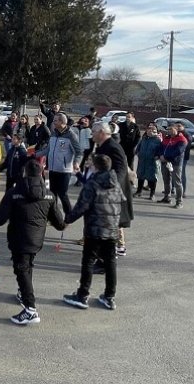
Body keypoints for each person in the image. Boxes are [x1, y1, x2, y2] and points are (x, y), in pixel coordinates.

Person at [0, 160, 65, 325]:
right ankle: (23, 294)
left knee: (21, 269)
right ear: (41, 175)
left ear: (25, 173)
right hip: (36, 240)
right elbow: (58, 222)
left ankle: (30, 309)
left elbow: (1, 215)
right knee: (27, 265)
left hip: (19, 239)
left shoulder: (14, 193)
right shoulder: (49, 195)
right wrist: (63, 224)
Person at [62, 154, 124, 310]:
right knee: (110, 263)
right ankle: (109, 296)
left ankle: (82, 295)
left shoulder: (93, 183)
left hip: (95, 229)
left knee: (88, 261)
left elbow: (82, 206)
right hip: (111, 229)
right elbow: (122, 201)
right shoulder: (116, 183)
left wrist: (67, 220)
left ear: (95, 167)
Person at [92, 122, 133, 257]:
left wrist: (110, 186)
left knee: (111, 223)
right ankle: (113, 249)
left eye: (94, 132)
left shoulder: (113, 147)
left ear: (101, 133)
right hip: (105, 190)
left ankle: (111, 252)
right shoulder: (102, 146)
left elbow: (121, 169)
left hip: (113, 192)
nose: (92, 135)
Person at [37, 112, 82, 214]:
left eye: (55, 120)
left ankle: (69, 216)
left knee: (62, 194)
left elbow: (79, 152)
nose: (53, 122)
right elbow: (47, 149)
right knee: (52, 195)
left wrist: (76, 162)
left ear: (62, 122)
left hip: (64, 171)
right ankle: (54, 216)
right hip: (53, 169)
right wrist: (34, 154)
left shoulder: (71, 135)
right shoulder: (53, 133)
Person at [157, 125, 187, 208]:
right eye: (168, 129)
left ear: (176, 129)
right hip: (165, 163)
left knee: (177, 182)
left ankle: (179, 202)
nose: (169, 131)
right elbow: (161, 148)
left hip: (175, 163)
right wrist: (160, 155)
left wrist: (166, 157)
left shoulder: (182, 139)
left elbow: (178, 151)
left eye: (171, 129)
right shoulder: (166, 138)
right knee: (166, 181)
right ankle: (167, 197)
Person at [133, 124, 162, 200]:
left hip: (152, 162)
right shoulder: (144, 139)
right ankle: (139, 191)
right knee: (140, 176)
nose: (150, 131)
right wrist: (137, 153)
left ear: (156, 131)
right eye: (149, 129)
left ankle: (152, 194)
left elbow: (161, 150)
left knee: (152, 178)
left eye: (153, 130)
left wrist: (157, 156)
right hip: (142, 161)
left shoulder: (158, 140)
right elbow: (138, 148)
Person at [175, 122, 192, 196]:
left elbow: (187, 146)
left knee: (181, 174)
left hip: (183, 157)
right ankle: (172, 189)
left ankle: (183, 191)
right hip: (174, 157)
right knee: (174, 173)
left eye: (179, 126)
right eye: (176, 126)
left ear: (183, 127)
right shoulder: (175, 134)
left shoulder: (187, 135)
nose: (178, 128)